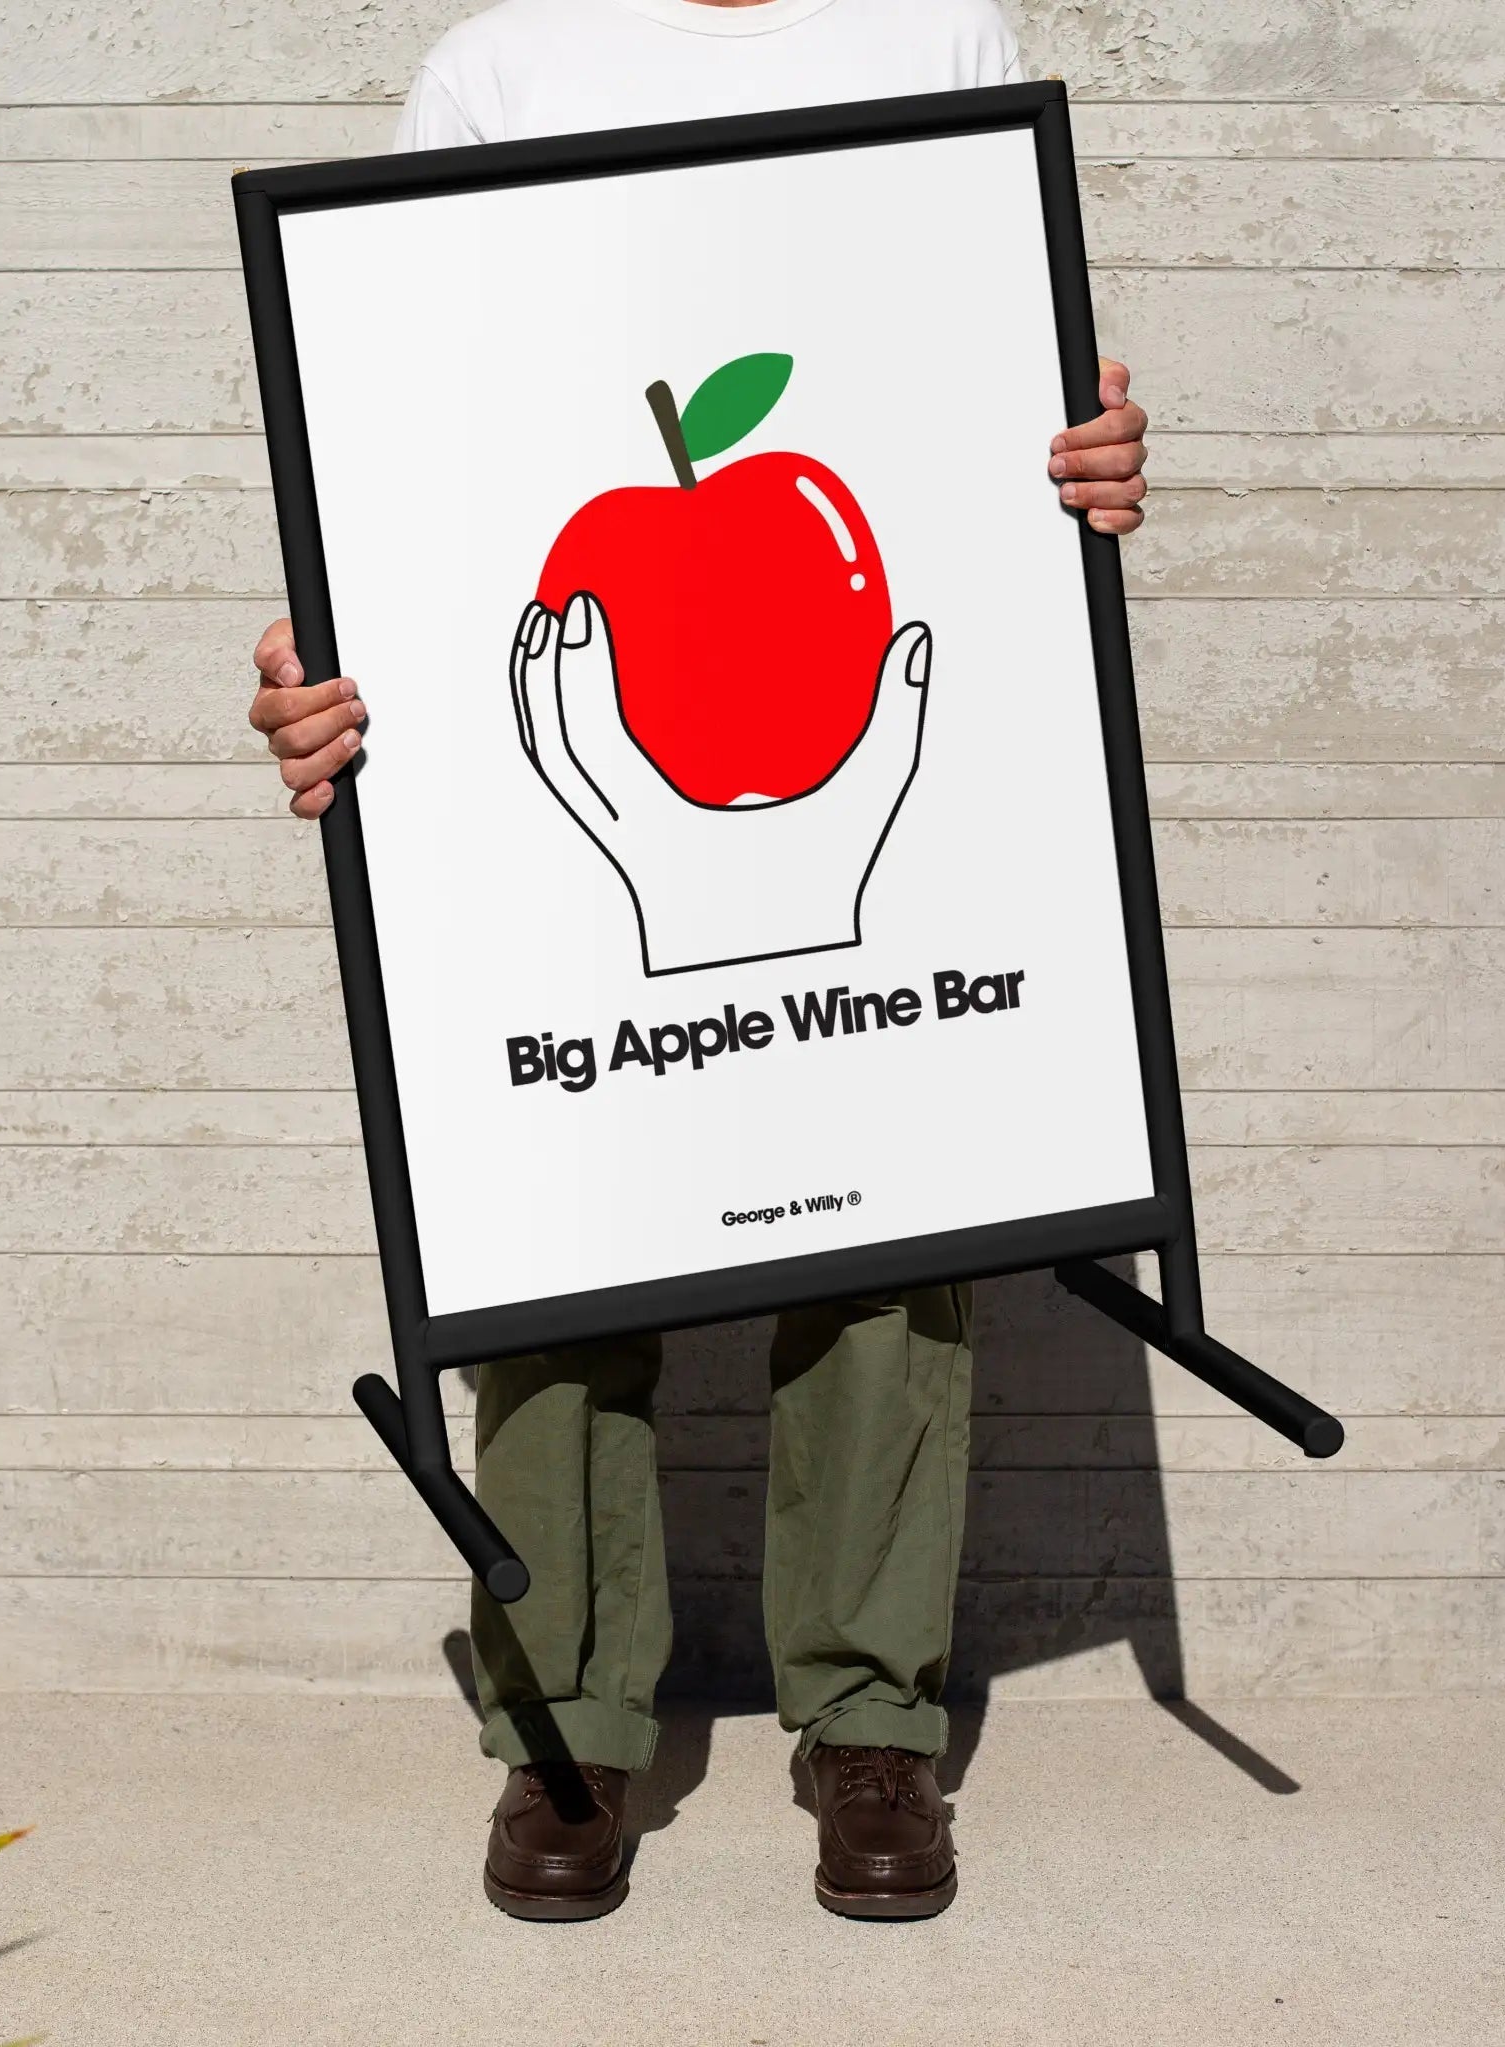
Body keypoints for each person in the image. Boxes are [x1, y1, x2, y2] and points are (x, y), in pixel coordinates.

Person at [247, 0, 1151, 1924]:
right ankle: (566, 1723)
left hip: (866, 659)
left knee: (897, 1229)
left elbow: (996, 398)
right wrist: (321, 659)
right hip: (576, 686)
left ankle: (872, 1716)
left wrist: (1079, 465)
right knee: (559, 1236)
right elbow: (416, 428)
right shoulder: (503, 68)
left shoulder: (940, 35)